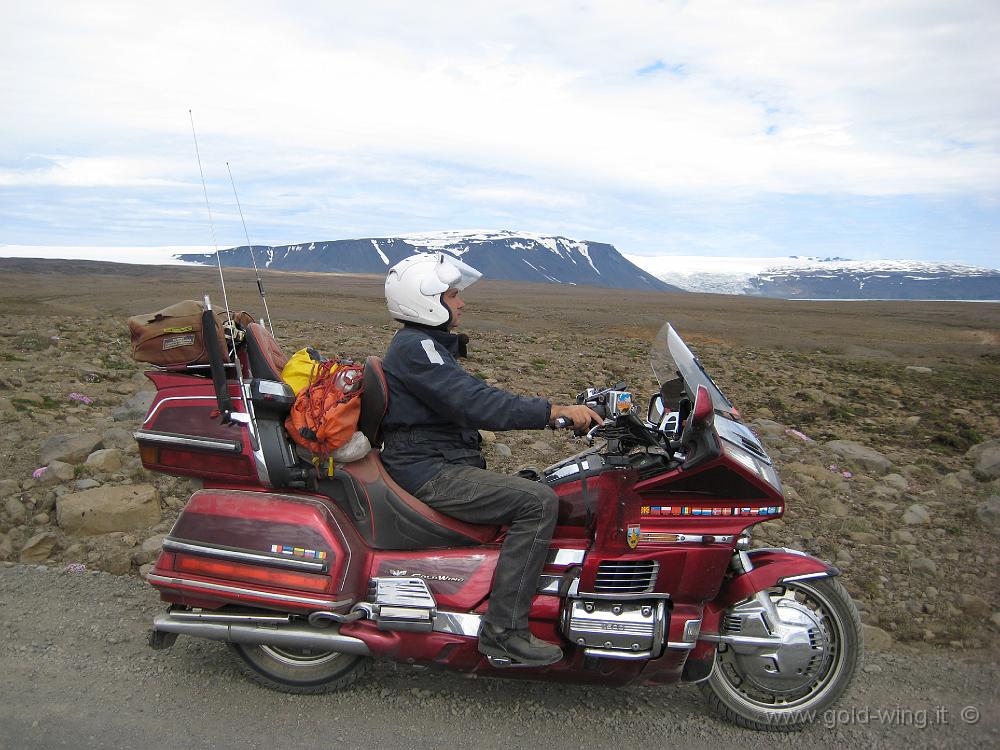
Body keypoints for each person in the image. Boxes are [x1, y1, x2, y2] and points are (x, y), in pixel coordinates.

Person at [380, 252, 601, 666]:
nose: (461, 303)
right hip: (428, 470)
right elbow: (476, 403)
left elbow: (464, 401)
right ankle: (503, 632)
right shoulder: (417, 348)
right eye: (452, 295)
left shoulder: (425, 346)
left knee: (545, 483)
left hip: (436, 460)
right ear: (426, 300)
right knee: (537, 502)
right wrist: (552, 412)